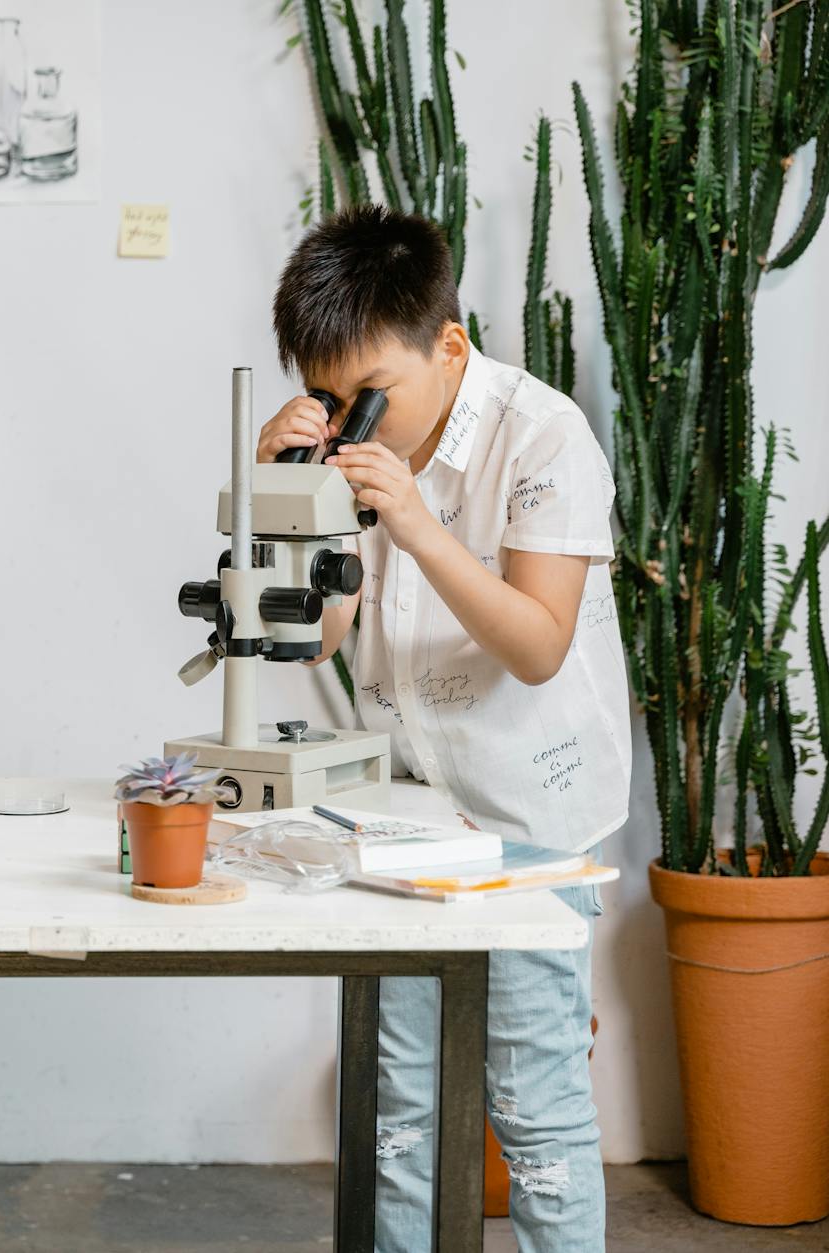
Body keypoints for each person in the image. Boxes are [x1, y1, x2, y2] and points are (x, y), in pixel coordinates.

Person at [263, 205, 630, 1252]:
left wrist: (415, 522)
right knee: (399, 1109)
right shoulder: (349, 446)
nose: (351, 417)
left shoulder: (543, 434)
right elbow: (317, 639)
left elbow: (536, 645)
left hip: (531, 819)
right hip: (403, 812)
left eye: (369, 389)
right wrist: (281, 497)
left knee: (536, 1108)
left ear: (449, 347)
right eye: (327, 397)